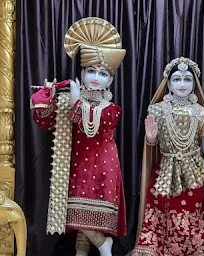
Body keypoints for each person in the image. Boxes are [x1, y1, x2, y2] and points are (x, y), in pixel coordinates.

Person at [30, 17, 127, 256]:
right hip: (76, 166)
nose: (96, 77)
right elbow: (43, 122)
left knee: (88, 220)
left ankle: (106, 247)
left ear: (111, 80)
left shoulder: (111, 109)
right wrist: (48, 95)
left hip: (103, 167)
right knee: (77, 219)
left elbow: (88, 123)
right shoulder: (67, 99)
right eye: (91, 71)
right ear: (82, 74)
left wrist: (75, 99)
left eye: (103, 73)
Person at [131, 57, 204, 256]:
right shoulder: (157, 110)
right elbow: (152, 145)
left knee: (192, 212)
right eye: (177, 79)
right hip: (164, 171)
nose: (182, 84)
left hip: (194, 171)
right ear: (169, 84)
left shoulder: (201, 113)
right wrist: (151, 137)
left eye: (187, 79)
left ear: (194, 84)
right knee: (161, 212)